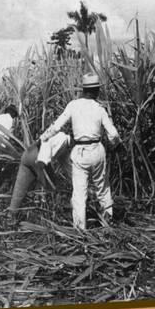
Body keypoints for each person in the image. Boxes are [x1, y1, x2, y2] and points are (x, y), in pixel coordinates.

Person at [40, 74, 120, 230]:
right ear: (96, 90)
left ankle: (80, 230)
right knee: (102, 188)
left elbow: (57, 126)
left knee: (79, 193)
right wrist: (116, 145)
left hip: (80, 152)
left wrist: (43, 138)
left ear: (83, 90)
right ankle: (108, 223)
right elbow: (114, 134)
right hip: (97, 150)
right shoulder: (99, 108)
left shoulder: (73, 105)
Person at [8, 132, 72, 215]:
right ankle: (49, 215)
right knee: (51, 188)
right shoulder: (62, 138)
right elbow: (46, 145)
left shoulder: (64, 146)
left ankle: (11, 215)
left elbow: (66, 166)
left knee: (19, 189)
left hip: (27, 155)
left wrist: (74, 180)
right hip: (38, 157)